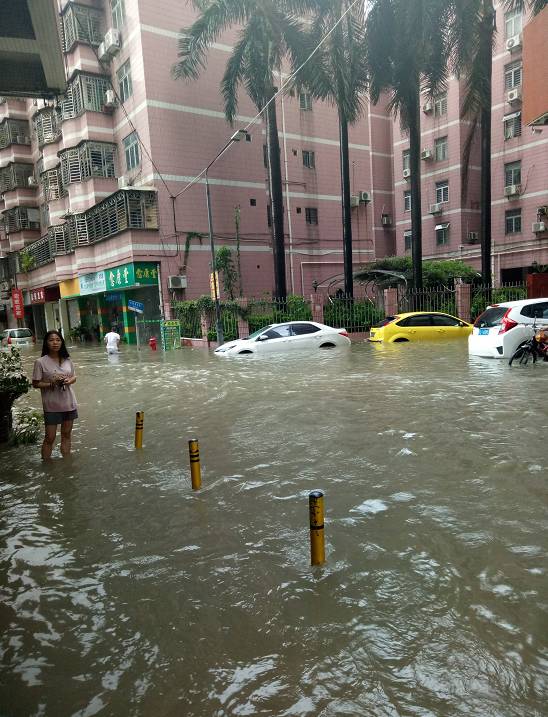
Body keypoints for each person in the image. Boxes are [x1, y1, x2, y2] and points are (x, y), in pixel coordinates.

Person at [32, 330, 78, 460]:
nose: (55, 343)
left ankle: (67, 463)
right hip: (51, 406)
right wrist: (51, 384)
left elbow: (73, 376)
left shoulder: (67, 360)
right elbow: (35, 383)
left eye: (58, 340)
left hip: (69, 403)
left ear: (61, 342)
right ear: (46, 343)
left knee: (66, 435)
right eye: (51, 340)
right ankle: (47, 466)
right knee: (49, 438)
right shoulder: (40, 362)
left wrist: (70, 381)